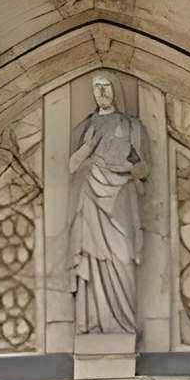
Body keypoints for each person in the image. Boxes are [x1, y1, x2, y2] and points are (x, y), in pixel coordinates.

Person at [68, 71, 148, 336]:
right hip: (91, 196)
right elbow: (71, 166)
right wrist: (88, 150)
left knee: (123, 255)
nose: (101, 92)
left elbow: (144, 167)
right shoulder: (87, 126)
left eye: (106, 87)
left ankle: (123, 323)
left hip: (121, 197)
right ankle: (92, 324)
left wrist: (124, 167)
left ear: (116, 91)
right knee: (92, 259)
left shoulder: (131, 126)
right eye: (97, 87)